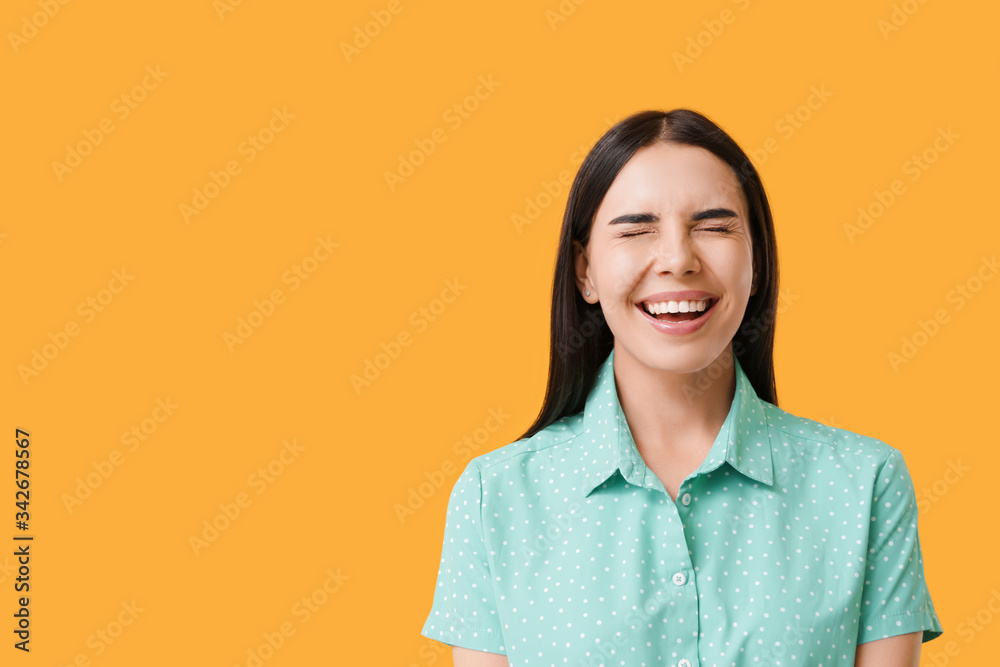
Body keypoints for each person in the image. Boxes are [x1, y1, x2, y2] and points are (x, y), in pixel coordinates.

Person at [420, 109, 943, 666]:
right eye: (636, 229)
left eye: (714, 227)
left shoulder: (864, 485)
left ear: (757, 261)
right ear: (585, 272)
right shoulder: (495, 497)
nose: (677, 259)